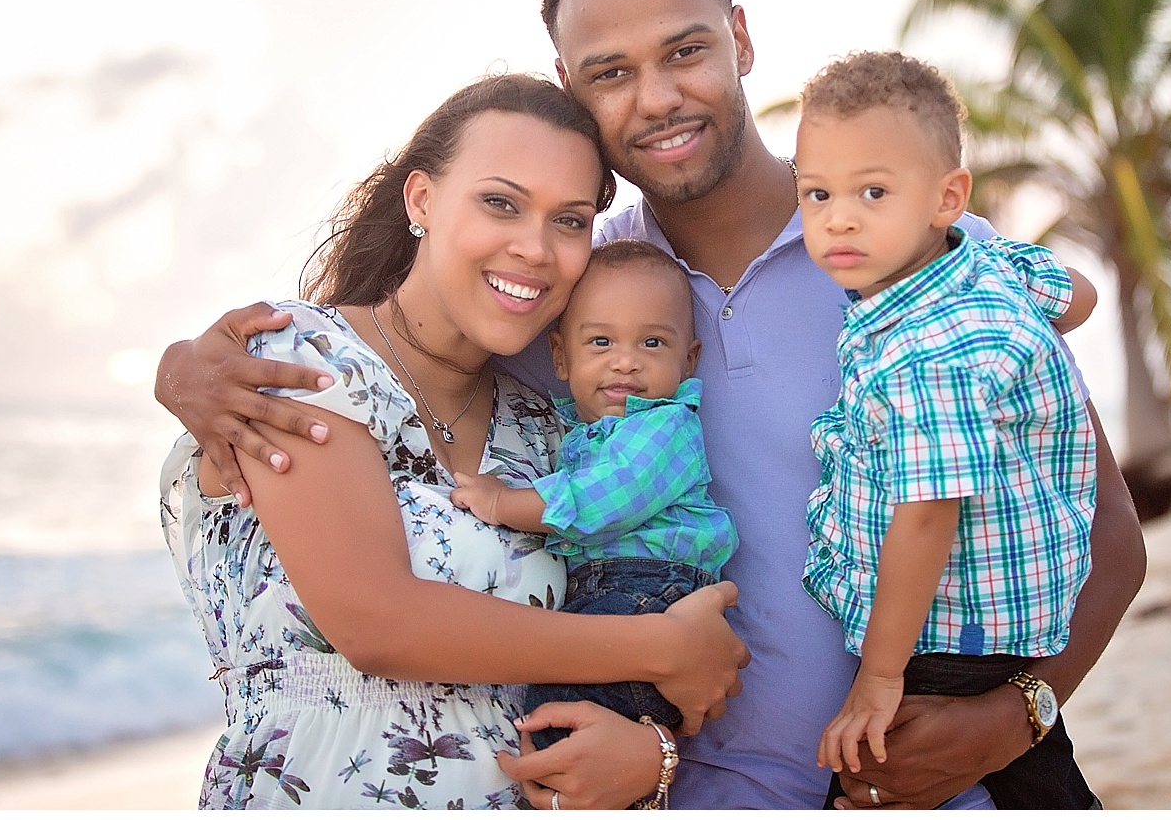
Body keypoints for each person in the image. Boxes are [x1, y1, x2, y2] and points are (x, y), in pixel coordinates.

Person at [157, 0, 1147, 809]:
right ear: (573, 93)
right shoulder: (576, 294)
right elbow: (401, 379)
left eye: (686, 51)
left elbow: (1104, 530)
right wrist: (192, 371)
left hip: (936, 790)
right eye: (611, 71)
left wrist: (1014, 714)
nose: (658, 96)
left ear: (742, 41)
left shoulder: (916, 259)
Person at [159, 74, 748, 809]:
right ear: (422, 200)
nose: (534, 247)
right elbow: (374, 620)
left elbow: (573, 666)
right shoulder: (303, 361)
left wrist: (650, 754)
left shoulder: (553, 428)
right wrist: (659, 646)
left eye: (568, 220)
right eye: (500, 202)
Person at [797, 51, 1099, 808]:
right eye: (816, 193)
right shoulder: (985, 260)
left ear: (946, 198)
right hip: (1008, 610)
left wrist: (878, 673)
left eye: (872, 191)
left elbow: (929, 511)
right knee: (1036, 777)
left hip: (947, 630)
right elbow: (1081, 296)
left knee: (876, 775)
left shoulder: (930, 351)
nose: (838, 216)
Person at [450, 238, 738, 771]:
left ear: (688, 358)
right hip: (613, 596)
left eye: (652, 344)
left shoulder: (666, 426)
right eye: (600, 342)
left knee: (556, 723)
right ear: (560, 356)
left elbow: (606, 499)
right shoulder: (577, 431)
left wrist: (502, 503)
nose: (625, 362)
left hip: (652, 593)